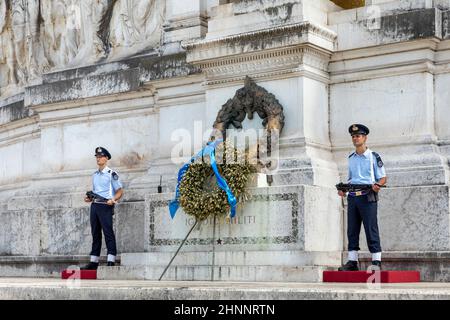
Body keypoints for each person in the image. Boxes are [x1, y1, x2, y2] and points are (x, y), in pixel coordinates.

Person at [338, 124, 387, 271]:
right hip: (353, 196)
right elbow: (351, 179)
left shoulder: (373, 156)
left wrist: (378, 185)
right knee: (352, 229)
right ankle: (352, 261)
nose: (355, 138)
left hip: (368, 196)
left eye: (358, 136)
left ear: (365, 137)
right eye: (353, 136)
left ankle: (376, 261)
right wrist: (343, 190)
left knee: (370, 228)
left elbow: (383, 177)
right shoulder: (351, 158)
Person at [81, 147, 123, 270]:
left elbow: (120, 191)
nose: (98, 159)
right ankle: (94, 261)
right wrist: (89, 199)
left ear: (106, 158)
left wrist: (113, 200)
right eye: (97, 157)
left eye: (100, 157)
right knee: (95, 233)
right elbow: (95, 191)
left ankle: (111, 259)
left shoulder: (111, 174)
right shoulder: (95, 175)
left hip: (105, 206)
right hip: (95, 205)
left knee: (108, 232)